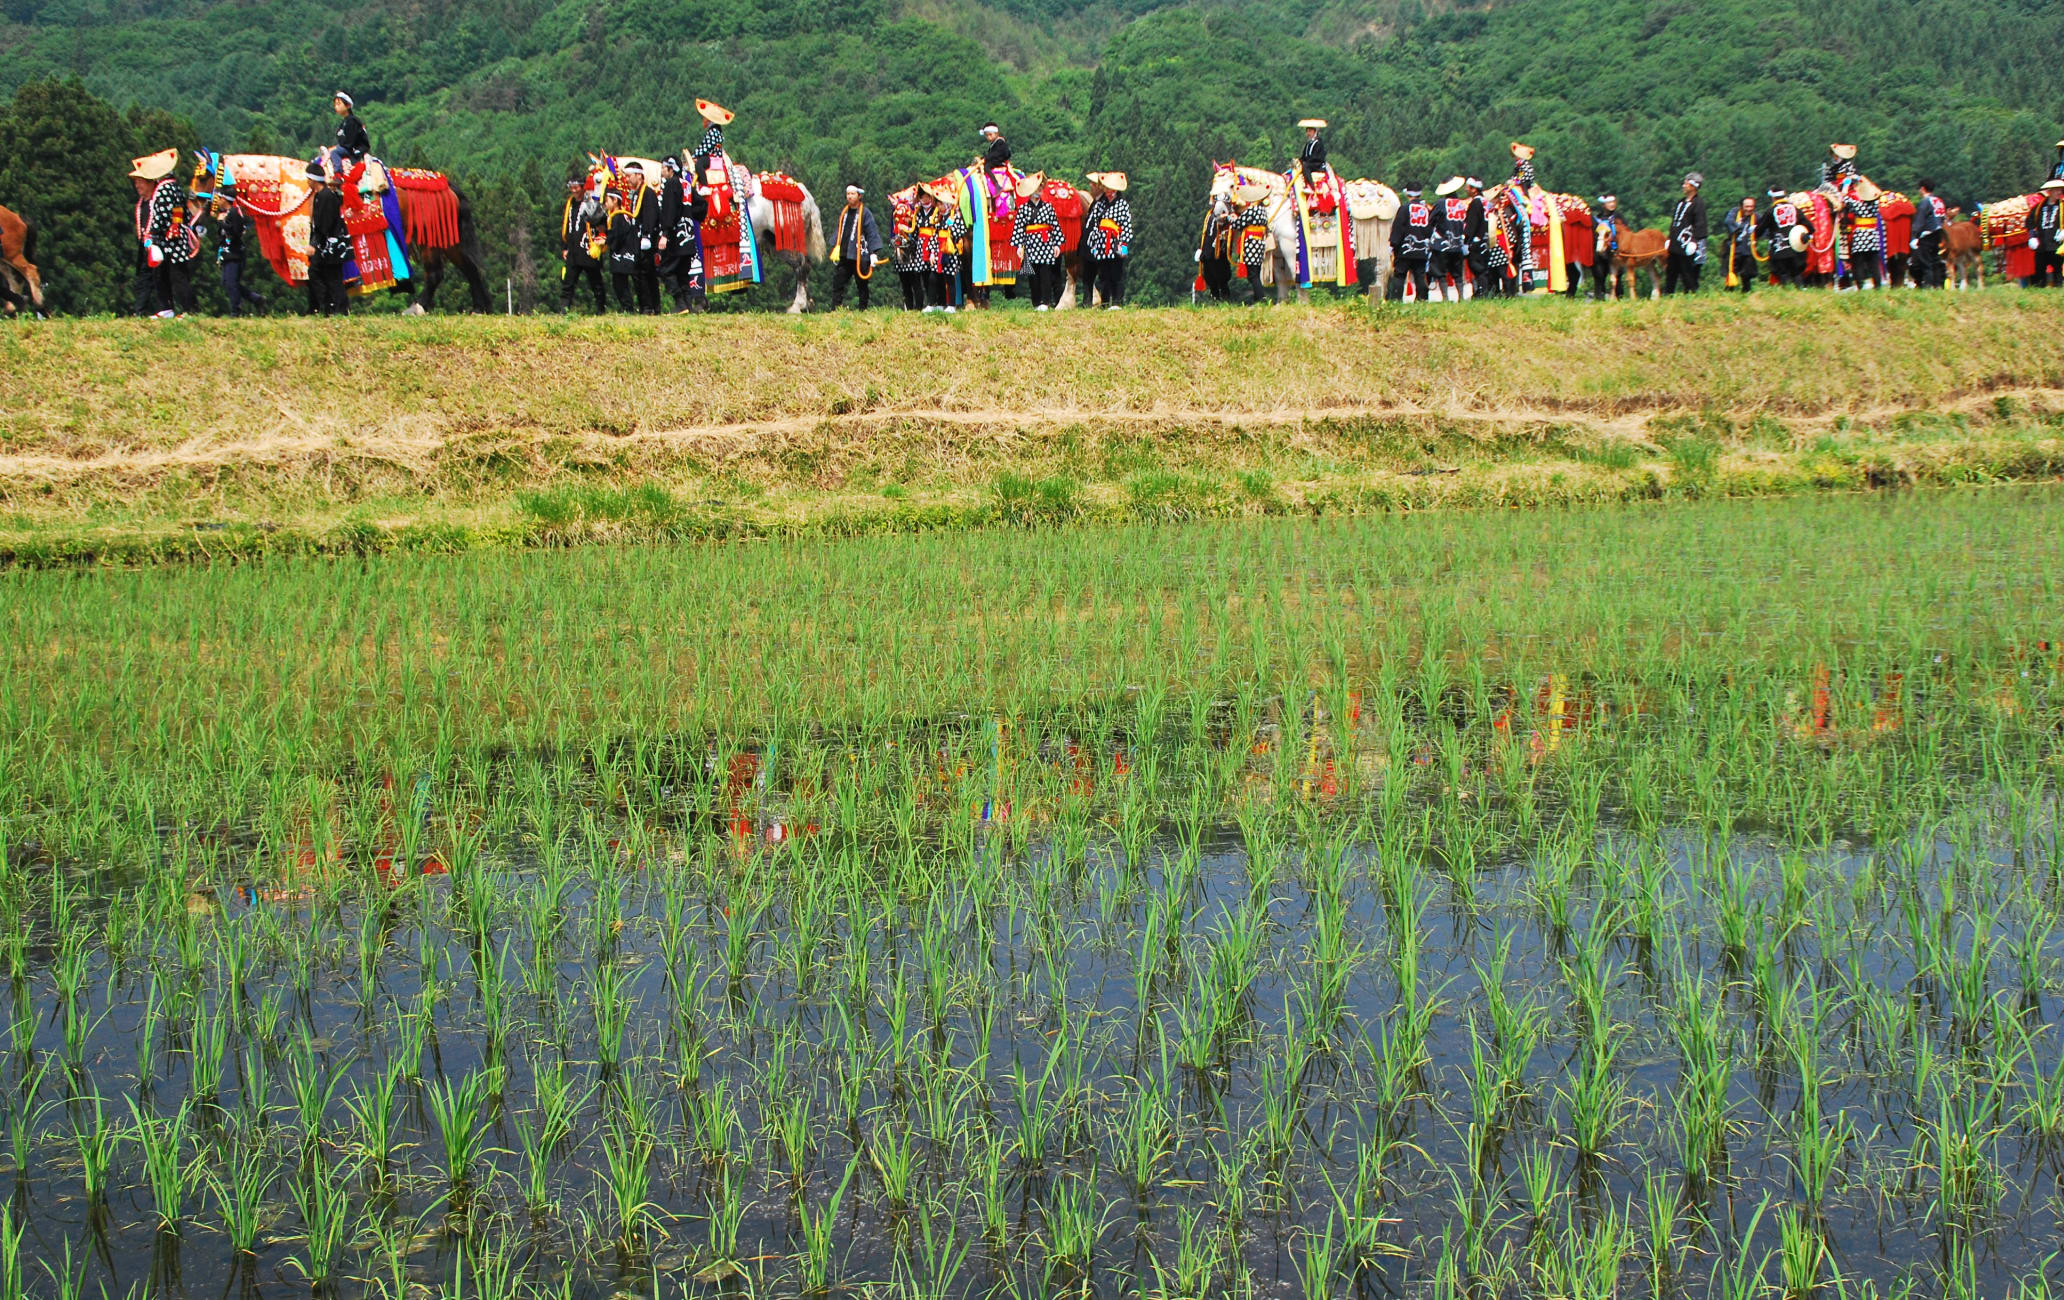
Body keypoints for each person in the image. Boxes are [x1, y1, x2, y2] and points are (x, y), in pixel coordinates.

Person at [130, 148, 196, 317]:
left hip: (169, 239)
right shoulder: (174, 188)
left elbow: (161, 215)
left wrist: (153, 233)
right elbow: (181, 213)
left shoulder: (164, 189)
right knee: (162, 274)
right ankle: (167, 308)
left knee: (177, 276)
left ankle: (188, 309)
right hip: (173, 236)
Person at [1009, 174, 1066, 310]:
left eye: (1041, 186)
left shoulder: (1048, 207)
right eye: (1037, 187)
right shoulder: (1023, 209)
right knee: (1032, 275)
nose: (1040, 189)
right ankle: (1036, 302)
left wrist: (1057, 244)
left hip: (1045, 243)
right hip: (1030, 244)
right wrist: (1019, 246)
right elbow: (1019, 228)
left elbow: (1055, 226)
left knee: (1046, 273)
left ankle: (1045, 302)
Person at [829, 185, 884, 310]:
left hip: (860, 254)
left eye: (852, 194)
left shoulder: (865, 213)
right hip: (844, 254)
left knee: (862, 284)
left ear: (859, 195)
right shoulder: (844, 212)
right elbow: (839, 230)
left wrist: (873, 253)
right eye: (848, 194)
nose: (849, 196)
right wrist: (835, 247)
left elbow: (871, 232)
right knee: (838, 282)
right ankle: (835, 308)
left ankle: (862, 309)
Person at [559, 175, 607, 313]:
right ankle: (564, 309)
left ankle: (600, 309)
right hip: (573, 249)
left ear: (582, 187)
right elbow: (566, 226)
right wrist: (565, 246)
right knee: (568, 282)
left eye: (576, 187)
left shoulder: (591, 202)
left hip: (587, 247)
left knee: (595, 281)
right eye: (571, 187)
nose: (573, 190)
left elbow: (601, 223)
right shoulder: (570, 203)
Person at [307, 163, 351, 317]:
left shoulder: (326, 196)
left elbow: (324, 223)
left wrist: (315, 244)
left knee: (323, 274)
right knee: (329, 275)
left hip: (330, 244)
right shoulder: (320, 196)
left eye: (308, 178)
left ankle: (335, 306)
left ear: (313, 180)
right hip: (325, 243)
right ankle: (333, 306)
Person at [216, 183, 264, 316]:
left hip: (234, 253)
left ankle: (236, 310)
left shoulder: (234, 213)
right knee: (227, 282)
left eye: (219, 198)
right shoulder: (225, 213)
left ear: (224, 199)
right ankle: (255, 298)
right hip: (226, 253)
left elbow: (236, 233)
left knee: (232, 282)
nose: (218, 201)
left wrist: (223, 223)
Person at [1086, 172, 1132, 308]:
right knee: (1103, 275)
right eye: (1105, 188)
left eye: (1110, 189)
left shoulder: (1122, 205)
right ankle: (1104, 302)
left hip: (1116, 241)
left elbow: (1126, 225)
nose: (1107, 191)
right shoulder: (1100, 205)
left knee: (1116, 273)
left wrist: (1124, 243)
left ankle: (1117, 301)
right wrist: (1093, 243)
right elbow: (1095, 223)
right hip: (1101, 242)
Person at [621, 161, 660, 313]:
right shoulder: (635, 194)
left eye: (630, 176)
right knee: (638, 274)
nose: (627, 179)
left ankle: (651, 306)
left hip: (645, 239)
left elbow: (651, 215)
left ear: (639, 175)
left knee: (647, 274)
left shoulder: (648, 193)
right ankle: (645, 305)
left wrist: (647, 235)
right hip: (636, 239)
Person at [1390, 183, 1438, 302]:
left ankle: (1396, 299)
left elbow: (1398, 227)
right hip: (1422, 249)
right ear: (1420, 194)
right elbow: (1430, 229)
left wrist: (1393, 244)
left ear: (1407, 193)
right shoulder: (1426, 209)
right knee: (1420, 275)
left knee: (1400, 274)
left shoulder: (1405, 208)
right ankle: (1422, 299)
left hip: (1405, 248)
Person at [1664, 172, 1706, 295]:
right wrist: (1669, 238)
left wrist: (1695, 241)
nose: (1683, 186)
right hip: (1675, 243)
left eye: (1686, 183)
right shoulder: (1681, 202)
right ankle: (1668, 294)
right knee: (1671, 271)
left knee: (1687, 272)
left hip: (1687, 243)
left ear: (1693, 186)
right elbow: (1675, 222)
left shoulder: (1698, 204)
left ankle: (1691, 294)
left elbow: (1700, 224)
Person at [1843, 177, 1887, 289]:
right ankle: (1877, 285)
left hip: (1860, 236)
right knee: (1873, 263)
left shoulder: (1858, 205)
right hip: (1873, 235)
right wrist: (1866, 182)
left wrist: (1846, 185)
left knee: (1858, 263)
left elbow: (1844, 197)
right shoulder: (1876, 205)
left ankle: (1860, 285)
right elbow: (1879, 194)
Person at [1759, 186, 1806, 288]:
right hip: (1795, 249)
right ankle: (1800, 291)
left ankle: (1784, 294)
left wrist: (1754, 235)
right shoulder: (1795, 209)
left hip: (1779, 249)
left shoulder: (1770, 211)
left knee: (1782, 274)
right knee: (1796, 273)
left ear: (1773, 198)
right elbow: (1808, 226)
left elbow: (1760, 228)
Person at [1434, 177, 1470, 301]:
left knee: (1441, 272)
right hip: (1458, 243)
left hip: (1443, 244)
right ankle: (1461, 296)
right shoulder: (1461, 204)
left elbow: (1431, 221)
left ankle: (1445, 297)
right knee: (1457, 273)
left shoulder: (1440, 204)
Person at [605, 190, 642, 311]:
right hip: (628, 253)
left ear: (615, 201)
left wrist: (606, 241)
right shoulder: (624, 215)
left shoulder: (618, 216)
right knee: (628, 283)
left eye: (607, 200)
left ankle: (628, 308)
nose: (605, 203)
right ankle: (631, 307)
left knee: (620, 284)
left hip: (621, 254)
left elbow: (617, 235)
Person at [892, 192, 926, 311]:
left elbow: (917, 236)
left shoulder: (914, 222)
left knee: (915, 282)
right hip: (901, 253)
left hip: (913, 254)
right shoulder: (896, 228)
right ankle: (909, 307)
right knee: (905, 284)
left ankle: (918, 307)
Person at [1910, 178, 1946, 289]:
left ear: (1922, 188)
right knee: (1935, 260)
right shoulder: (1939, 201)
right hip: (1938, 232)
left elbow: (1920, 220)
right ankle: (1938, 284)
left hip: (1926, 234)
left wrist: (1914, 236)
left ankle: (1928, 285)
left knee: (1925, 262)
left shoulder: (1925, 202)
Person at [2028, 180, 2064, 288]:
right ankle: (2038, 292)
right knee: (2039, 271)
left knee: (2058, 270)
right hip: (2041, 245)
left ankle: (2059, 290)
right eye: (2056, 190)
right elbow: (2029, 222)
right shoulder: (2039, 207)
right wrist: (2032, 237)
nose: (2059, 192)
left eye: (2060, 190)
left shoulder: (2062, 205)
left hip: (2056, 245)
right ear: (2050, 191)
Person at [692, 99, 733, 188]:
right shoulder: (715, 130)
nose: (703, 120)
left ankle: (705, 185)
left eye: (705, 118)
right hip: (713, 156)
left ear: (709, 120)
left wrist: (695, 155)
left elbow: (706, 147)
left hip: (713, 157)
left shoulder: (713, 131)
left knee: (699, 164)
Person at [1590, 194, 1624, 299]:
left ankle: (1619, 295)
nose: (1612, 204)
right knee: (1599, 274)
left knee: (1617, 274)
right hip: (1601, 251)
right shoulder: (1598, 218)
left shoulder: (1618, 218)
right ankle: (1600, 295)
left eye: (1613, 202)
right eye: (1609, 202)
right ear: (1604, 205)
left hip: (1615, 250)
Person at [1462, 178, 1491, 297]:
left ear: (1474, 190)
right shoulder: (1486, 202)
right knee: (1484, 266)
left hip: (1477, 240)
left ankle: (1482, 291)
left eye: (1468, 187)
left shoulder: (1475, 203)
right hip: (1486, 238)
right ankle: (1485, 290)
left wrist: (1466, 239)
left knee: (1477, 266)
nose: (1466, 189)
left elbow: (1472, 223)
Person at [1723, 196, 1758, 292]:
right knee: (1731, 274)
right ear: (1741, 206)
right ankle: (1729, 292)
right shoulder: (1734, 213)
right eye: (1747, 206)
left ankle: (1746, 292)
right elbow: (1728, 221)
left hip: (1748, 249)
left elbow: (1763, 227)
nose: (1749, 209)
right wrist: (1738, 230)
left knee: (1747, 275)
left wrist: (1757, 236)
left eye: (1751, 206)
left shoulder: (1756, 216)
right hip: (1734, 249)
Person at [330, 92, 369, 179]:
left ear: (347, 106)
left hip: (354, 148)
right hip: (347, 146)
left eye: (339, 104)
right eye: (335, 104)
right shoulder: (345, 122)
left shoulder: (352, 121)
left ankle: (338, 173)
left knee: (334, 153)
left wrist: (338, 147)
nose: (336, 107)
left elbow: (350, 141)